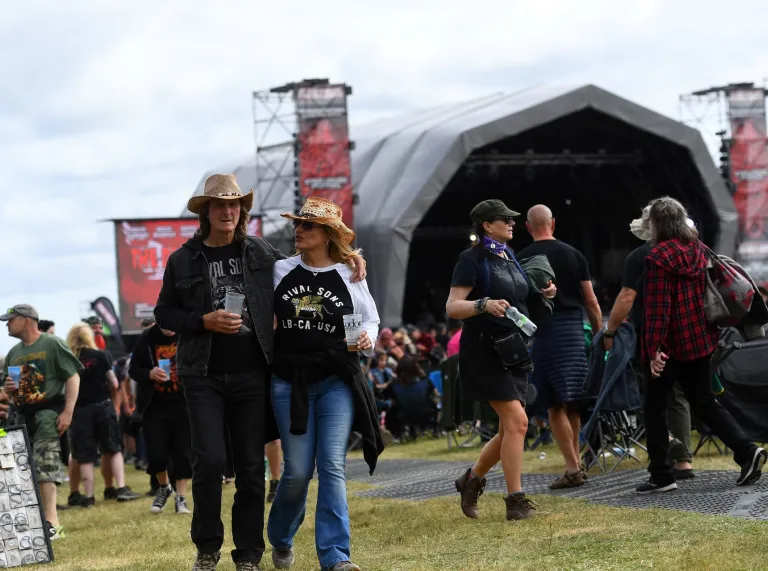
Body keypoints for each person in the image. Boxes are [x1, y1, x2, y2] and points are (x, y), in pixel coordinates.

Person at [155, 174, 366, 571]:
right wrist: (203, 321)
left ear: (242, 211)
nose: (228, 211)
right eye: (219, 205)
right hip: (202, 374)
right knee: (210, 461)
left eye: (234, 204)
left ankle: (249, 553)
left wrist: (350, 258)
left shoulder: (260, 252)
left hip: (254, 373)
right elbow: (164, 313)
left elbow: (310, 265)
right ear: (206, 212)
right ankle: (206, 547)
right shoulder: (182, 258)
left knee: (253, 467)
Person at [268, 196, 383, 571]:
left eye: (308, 226)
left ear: (329, 234)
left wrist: (367, 338)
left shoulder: (350, 274)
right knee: (298, 471)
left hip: (336, 380)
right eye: (297, 225)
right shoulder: (279, 270)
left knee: (331, 464)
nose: (299, 230)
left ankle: (336, 557)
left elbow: (371, 320)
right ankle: (281, 538)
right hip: (289, 381)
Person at [637, 197, 767, 493]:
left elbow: (659, 308)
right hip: (700, 340)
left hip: (670, 345)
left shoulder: (657, 257)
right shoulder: (698, 250)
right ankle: (746, 450)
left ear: (655, 224)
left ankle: (661, 475)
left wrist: (655, 349)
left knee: (654, 408)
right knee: (705, 402)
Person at [447, 200, 556, 521]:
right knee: (518, 422)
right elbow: (453, 306)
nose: (511, 222)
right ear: (485, 225)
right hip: (484, 351)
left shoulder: (508, 255)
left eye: (512, 218)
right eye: (504, 219)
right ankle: (515, 500)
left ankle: (471, 480)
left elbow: (519, 296)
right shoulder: (471, 258)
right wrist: (482, 304)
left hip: (515, 351)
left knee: (512, 427)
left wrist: (543, 293)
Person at [604, 206, 695, 479]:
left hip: (652, 335)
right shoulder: (690, 252)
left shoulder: (640, 256)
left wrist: (610, 330)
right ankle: (684, 461)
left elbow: (627, 298)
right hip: (690, 332)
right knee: (679, 396)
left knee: (648, 396)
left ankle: (664, 449)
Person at [517, 204, 602, 489]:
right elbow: (591, 300)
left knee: (554, 404)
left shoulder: (522, 258)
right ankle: (575, 463)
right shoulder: (573, 253)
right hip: (574, 330)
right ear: (553, 223)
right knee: (573, 402)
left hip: (545, 332)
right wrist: (601, 333)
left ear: (529, 227)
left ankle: (572, 467)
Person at [2, 304, 82, 541]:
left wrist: (68, 411)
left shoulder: (52, 343)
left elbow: (73, 376)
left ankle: (52, 523)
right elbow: (14, 393)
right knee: (22, 470)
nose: (6, 324)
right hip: (22, 417)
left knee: (45, 468)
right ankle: (33, 522)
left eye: (10, 319)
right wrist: (9, 390)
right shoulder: (14, 353)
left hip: (48, 415)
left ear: (26, 321)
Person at [65, 323, 141, 507]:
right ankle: (121, 488)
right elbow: (114, 383)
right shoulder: (101, 355)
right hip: (102, 407)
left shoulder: (69, 360)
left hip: (79, 411)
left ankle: (89, 497)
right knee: (113, 449)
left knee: (84, 456)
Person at [129, 322, 192, 515]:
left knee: (182, 451)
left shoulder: (186, 333)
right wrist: (149, 373)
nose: (170, 329)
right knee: (156, 452)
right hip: (154, 404)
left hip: (183, 402)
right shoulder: (147, 338)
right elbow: (133, 370)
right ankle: (164, 487)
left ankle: (181, 498)